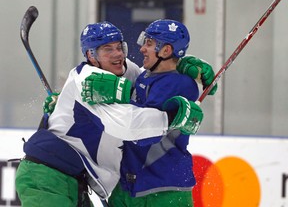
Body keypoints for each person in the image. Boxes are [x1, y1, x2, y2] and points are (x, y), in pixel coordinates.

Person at [15, 21, 214, 207]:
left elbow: (151, 75)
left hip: (73, 179)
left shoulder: (122, 71)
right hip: (46, 177)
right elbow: (129, 126)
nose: (118, 54)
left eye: (119, 47)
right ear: (91, 55)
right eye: (107, 49)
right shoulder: (89, 82)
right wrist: (172, 117)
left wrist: (180, 63)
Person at [81, 19, 212, 206]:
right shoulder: (145, 75)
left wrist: (117, 94)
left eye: (149, 43)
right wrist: (69, 102)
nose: (142, 48)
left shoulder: (180, 84)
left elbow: (144, 132)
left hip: (165, 189)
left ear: (166, 51)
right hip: (130, 184)